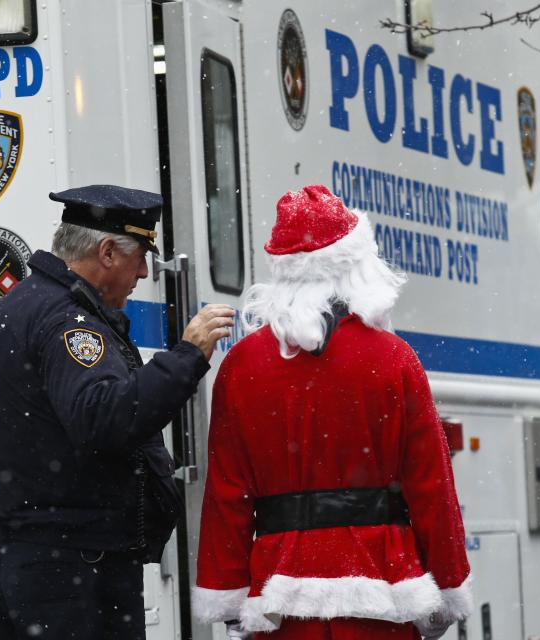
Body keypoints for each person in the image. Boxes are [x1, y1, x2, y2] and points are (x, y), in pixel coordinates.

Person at [191, 185, 471, 640]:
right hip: (382, 588)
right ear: (355, 268)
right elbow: (430, 485)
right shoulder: (393, 358)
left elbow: (228, 491)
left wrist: (228, 593)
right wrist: (446, 584)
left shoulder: (242, 364)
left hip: (279, 593)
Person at [0, 185, 235, 640]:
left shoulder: (20, 306)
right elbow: (104, 419)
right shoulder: (67, 321)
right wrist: (188, 356)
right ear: (108, 251)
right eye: (141, 256)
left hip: (39, 565)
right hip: (74, 573)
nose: (145, 272)